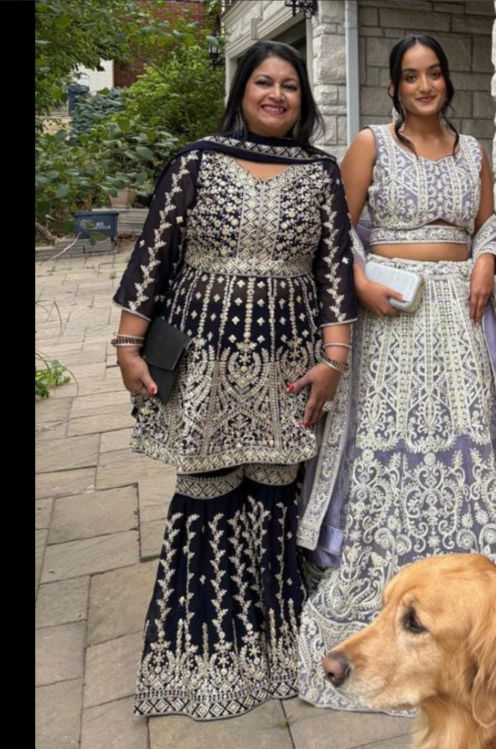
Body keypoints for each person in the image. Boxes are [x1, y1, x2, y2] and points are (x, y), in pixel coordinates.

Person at [111, 40, 357, 719]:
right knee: (208, 492)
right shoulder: (197, 161)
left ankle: (274, 651)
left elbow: (336, 275)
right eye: (263, 82)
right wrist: (129, 344)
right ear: (242, 90)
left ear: (302, 100)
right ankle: (199, 658)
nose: (277, 95)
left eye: (289, 86)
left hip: (287, 359)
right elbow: (151, 258)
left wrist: (332, 362)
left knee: (276, 497)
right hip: (204, 360)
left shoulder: (319, 172)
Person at [296, 35, 496, 710]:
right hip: (393, 315)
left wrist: (486, 263)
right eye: (411, 76)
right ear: (395, 87)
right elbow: (334, 229)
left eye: (434, 73)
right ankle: (385, 588)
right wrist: (361, 281)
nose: (425, 85)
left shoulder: (474, 151)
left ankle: (463, 602)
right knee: (391, 440)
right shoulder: (372, 143)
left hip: (460, 316)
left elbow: (487, 226)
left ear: (447, 81)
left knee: (466, 438)